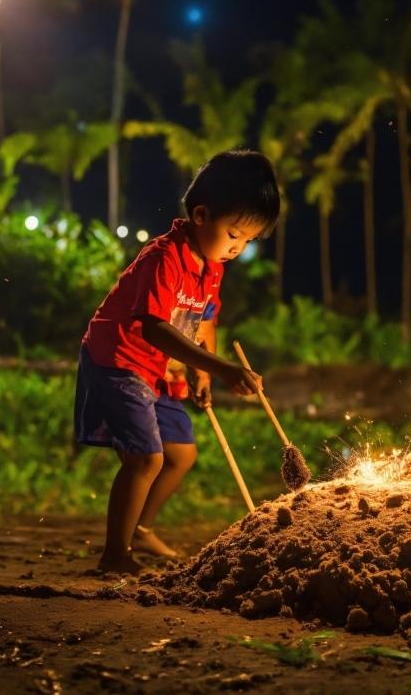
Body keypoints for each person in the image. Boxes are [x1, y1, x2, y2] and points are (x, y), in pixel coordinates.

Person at [74, 150, 280, 575]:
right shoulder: (163, 258)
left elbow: (204, 318)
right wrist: (222, 367)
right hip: (122, 360)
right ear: (201, 215)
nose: (238, 250)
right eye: (235, 235)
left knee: (181, 455)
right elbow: (153, 327)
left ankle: (143, 528)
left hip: (160, 369)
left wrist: (203, 371)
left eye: (247, 242)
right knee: (145, 459)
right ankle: (115, 555)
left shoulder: (212, 265)